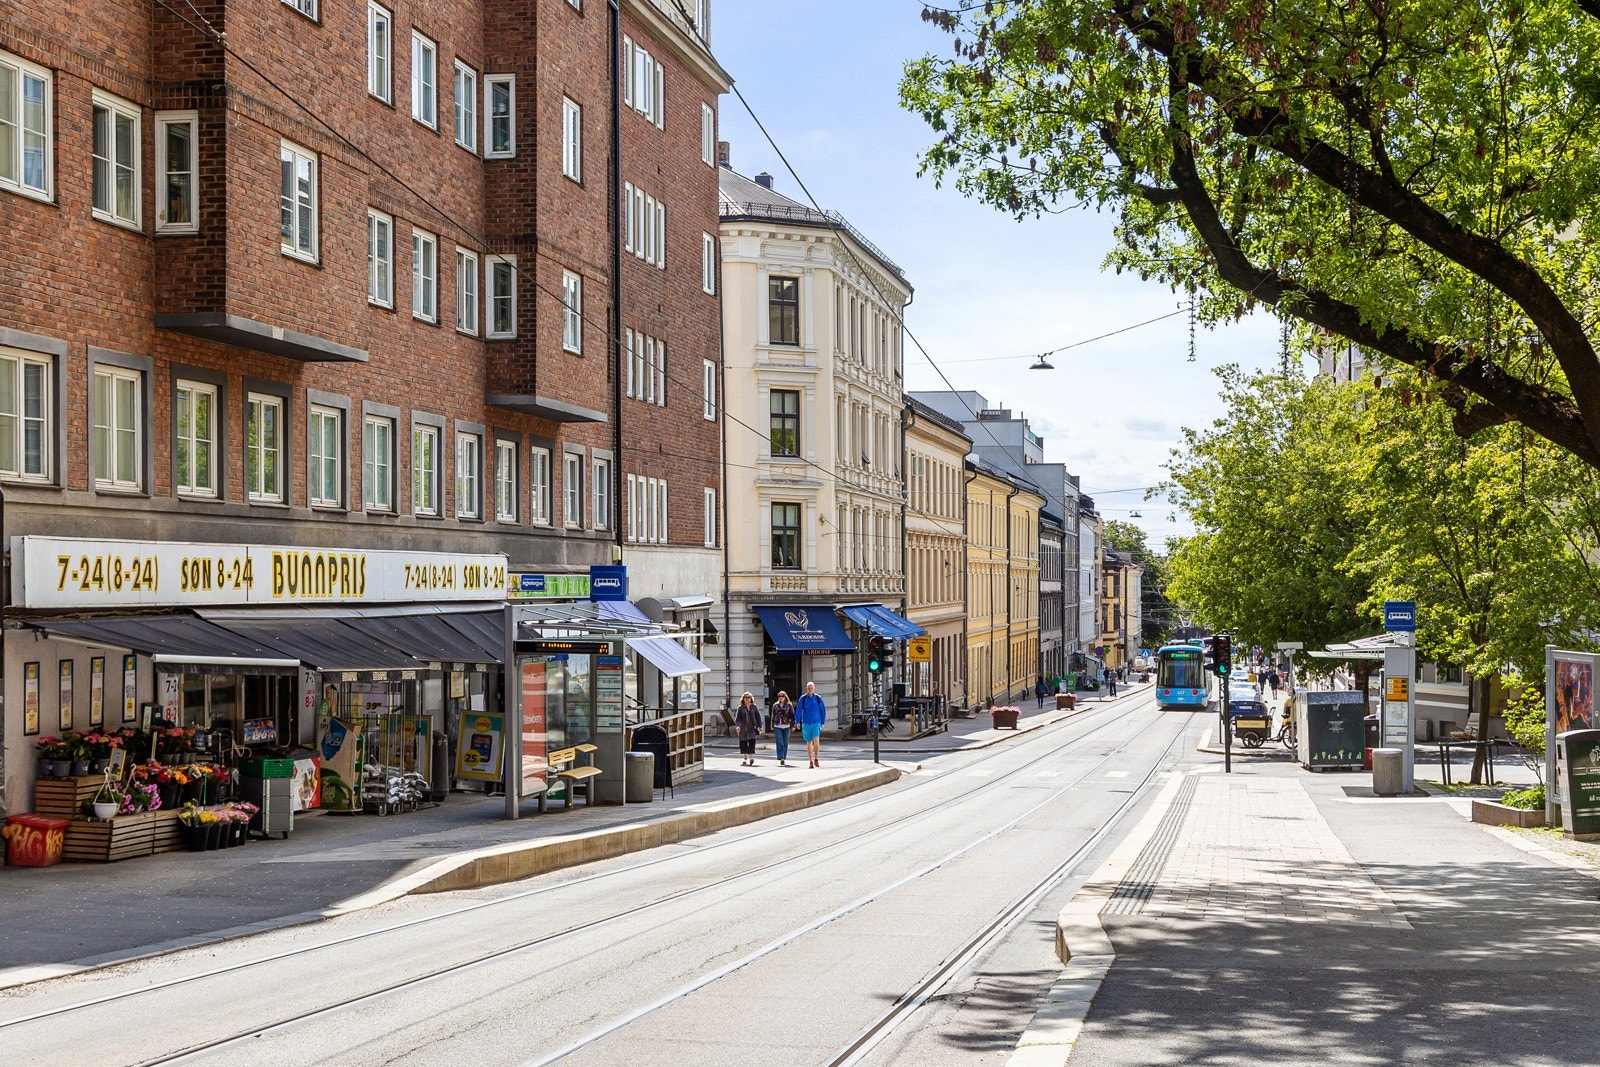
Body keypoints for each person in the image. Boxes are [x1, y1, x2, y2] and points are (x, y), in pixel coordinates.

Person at [796, 681, 827, 768]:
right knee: (809, 742)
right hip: (806, 723)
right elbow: (798, 710)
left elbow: (822, 710)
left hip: (816, 722)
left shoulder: (818, 698)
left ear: (814, 689)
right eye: (809, 688)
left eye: (811, 688)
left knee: (816, 740)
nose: (810, 690)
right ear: (807, 689)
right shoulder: (803, 698)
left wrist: (822, 722)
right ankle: (810, 761)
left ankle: (816, 758)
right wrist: (797, 722)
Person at [734, 692, 762, 767]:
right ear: (743, 699)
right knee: (743, 742)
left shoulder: (754, 707)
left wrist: (760, 726)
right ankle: (745, 756)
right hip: (743, 727)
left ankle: (751, 757)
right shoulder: (740, 707)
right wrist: (737, 726)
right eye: (745, 697)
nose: (747, 699)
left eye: (748, 697)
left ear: (751, 698)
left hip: (752, 727)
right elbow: (737, 718)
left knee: (752, 741)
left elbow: (758, 717)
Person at [770, 690, 796, 767]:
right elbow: (773, 715)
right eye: (779, 696)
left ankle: (783, 758)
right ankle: (780, 757)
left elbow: (792, 716)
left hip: (786, 726)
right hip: (777, 726)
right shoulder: (775, 705)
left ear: (785, 697)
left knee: (785, 743)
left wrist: (793, 725)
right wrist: (771, 724)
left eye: (782, 696)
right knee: (779, 742)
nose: (781, 698)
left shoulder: (789, 705)